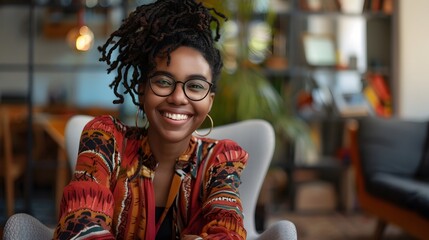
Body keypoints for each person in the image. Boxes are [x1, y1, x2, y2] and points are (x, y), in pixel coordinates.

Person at [54, 0, 248, 239]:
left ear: (209, 100)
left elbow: (228, 232)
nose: (178, 98)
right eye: (164, 82)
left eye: (195, 86)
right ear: (142, 89)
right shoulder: (105, 140)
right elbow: (80, 227)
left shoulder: (221, 160)